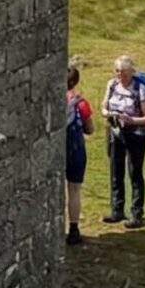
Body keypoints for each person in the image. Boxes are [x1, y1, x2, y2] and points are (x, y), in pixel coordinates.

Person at [101, 55, 145, 228]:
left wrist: (132, 120)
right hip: (116, 132)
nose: (120, 75)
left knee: (135, 173)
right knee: (115, 172)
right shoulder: (111, 85)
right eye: (117, 71)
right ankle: (116, 210)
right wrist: (109, 114)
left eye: (123, 72)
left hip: (136, 135)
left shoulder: (140, 89)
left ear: (131, 72)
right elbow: (103, 107)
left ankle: (136, 214)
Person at [63, 65, 93, 244]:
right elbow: (90, 129)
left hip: (58, 149)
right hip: (75, 150)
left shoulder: (54, 99)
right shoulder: (81, 103)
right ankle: (74, 229)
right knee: (74, 190)